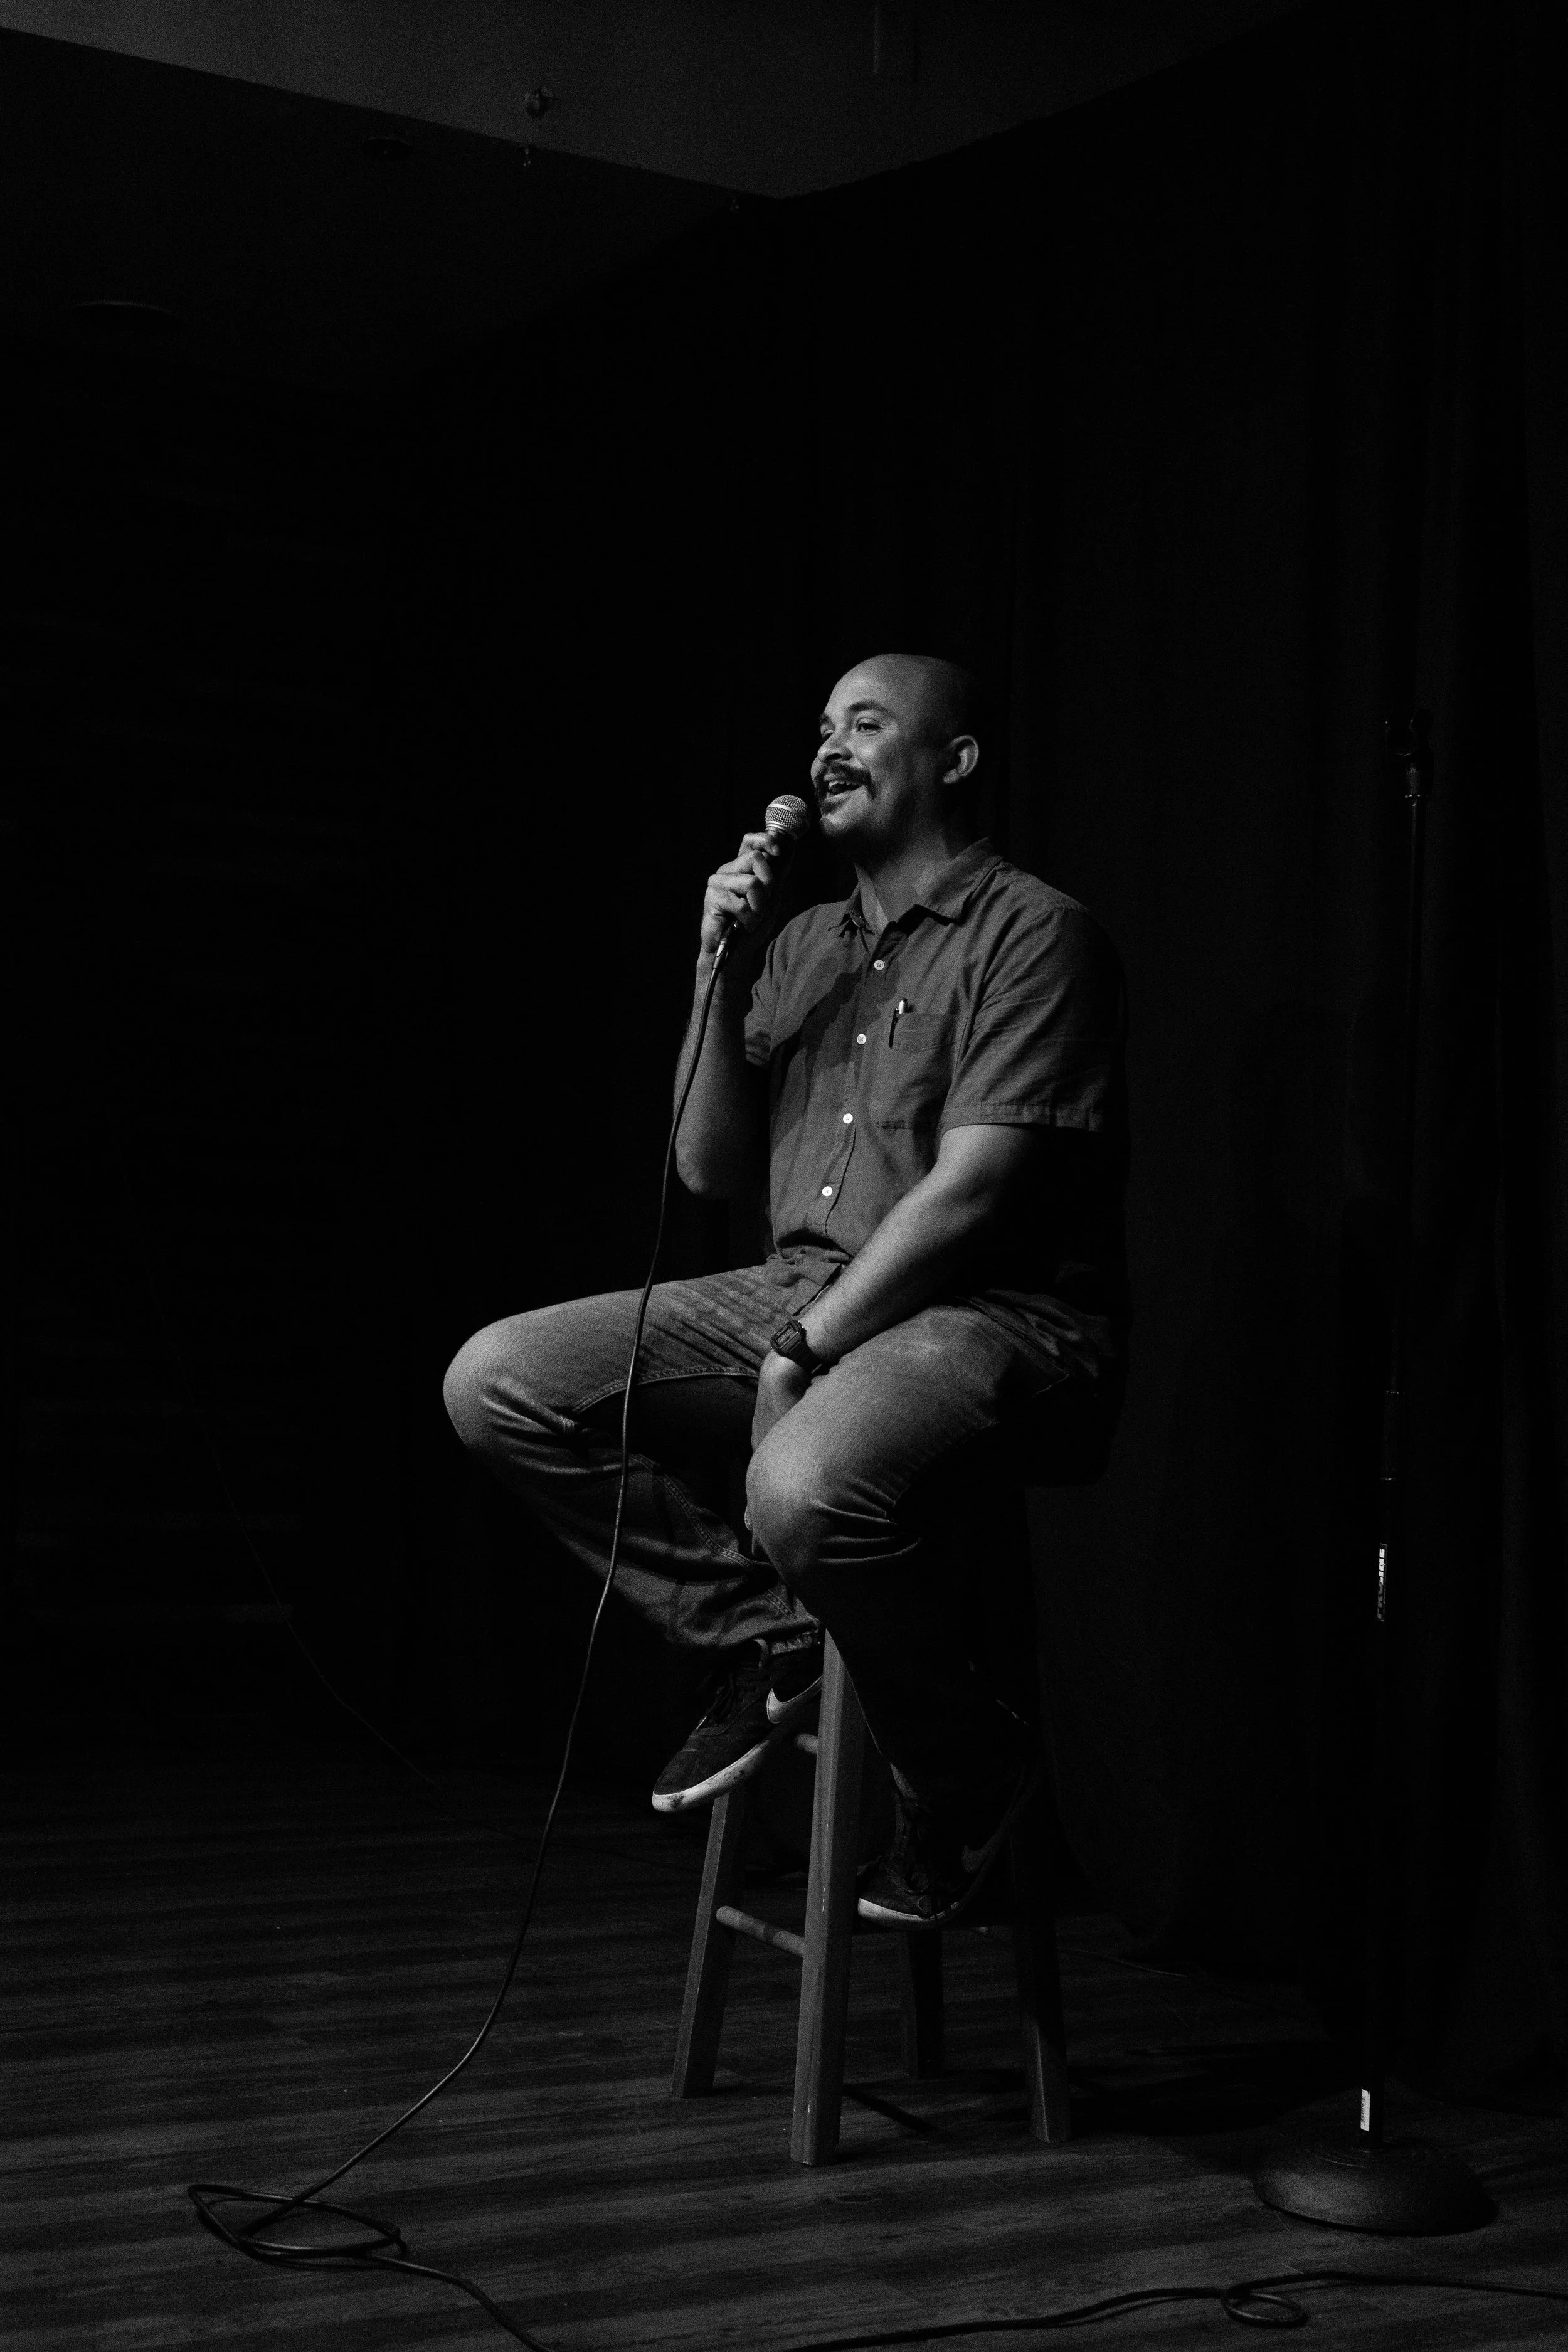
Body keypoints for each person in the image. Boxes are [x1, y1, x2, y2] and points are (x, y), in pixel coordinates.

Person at [443, 652, 1129, 1927]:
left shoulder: (1036, 933)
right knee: (497, 1381)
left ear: (953, 759)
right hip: (794, 1285)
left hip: (992, 1311)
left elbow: (976, 1195)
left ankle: (967, 1777)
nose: (829, 747)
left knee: (800, 1478)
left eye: (865, 724)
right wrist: (715, 957)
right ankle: (769, 1635)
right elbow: (705, 1162)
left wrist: (802, 1347)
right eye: (821, 725)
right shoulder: (805, 943)